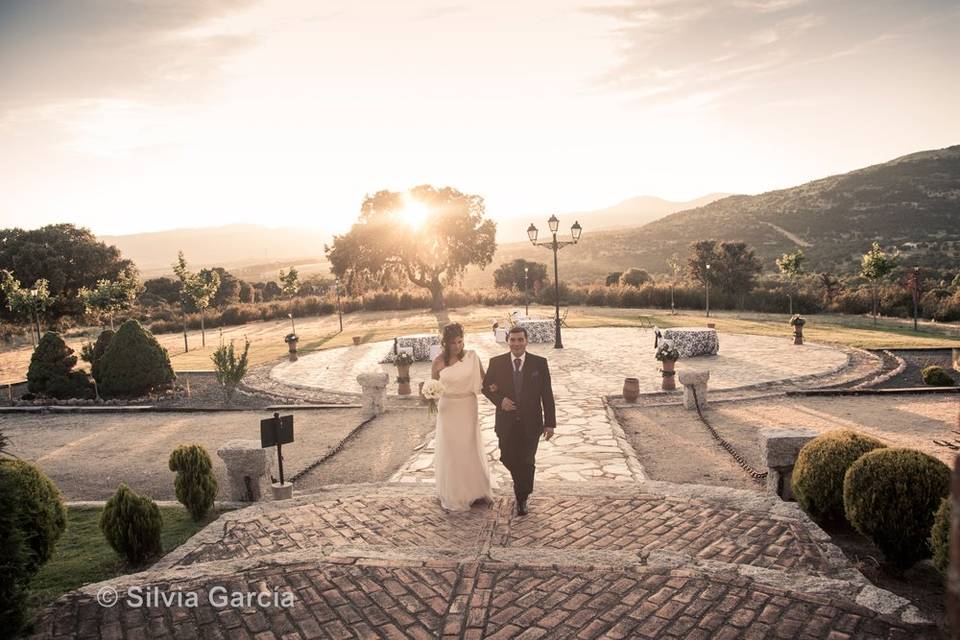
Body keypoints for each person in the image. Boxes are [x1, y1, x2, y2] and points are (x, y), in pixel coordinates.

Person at [481, 326, 556, 516]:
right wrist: (500, 401)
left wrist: (550, 423)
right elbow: (486, 388)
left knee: (527, 459)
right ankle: (522, 485)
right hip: (506, 423)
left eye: (520, 340)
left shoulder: (539, 363)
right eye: (513, 340)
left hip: (531, 423)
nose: (516, 344)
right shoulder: (496, 363)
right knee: (507, 457)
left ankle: (522, 497)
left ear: (526, 341)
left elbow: (546, 394)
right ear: (508, 341)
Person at [431, 323, 494, 511]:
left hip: (468, 405)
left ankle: (475, 491)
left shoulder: (472, 357)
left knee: (469, 446)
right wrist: (429, 396)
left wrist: (497, 389)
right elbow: (432, 386)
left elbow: (485, 380)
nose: (457, 346)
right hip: (448, 408)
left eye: (460, 341)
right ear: (445, 343)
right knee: (452, 449)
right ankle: (455, 493)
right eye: (453, 343)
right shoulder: (438, 362)